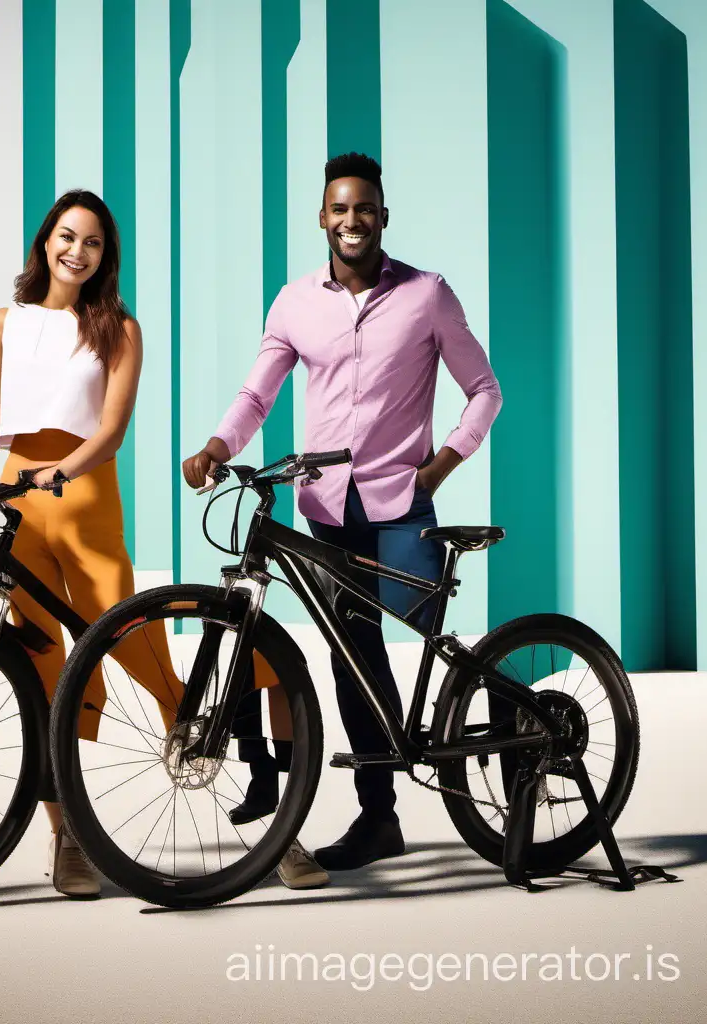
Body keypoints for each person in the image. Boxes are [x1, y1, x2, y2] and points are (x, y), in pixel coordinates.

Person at [182, 152, 502, 876]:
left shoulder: (427, 296)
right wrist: (214, 445)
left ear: (382, 217)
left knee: (418, 639)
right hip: (327, 509)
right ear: (321, 218)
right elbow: (256, 396)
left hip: (400, 504)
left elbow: (484, 390)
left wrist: (442, 463)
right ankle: (379, 812)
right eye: (339, 209)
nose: (351, 220)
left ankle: (492, 727)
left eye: (364, 208)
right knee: (351, 654)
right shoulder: (295, 303)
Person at [0, 189, 185, 897]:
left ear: (105, 257)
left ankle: (230, 769)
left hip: (85, 499)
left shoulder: (119, 329)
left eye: (92, 242)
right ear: (45, 243)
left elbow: (112, 431)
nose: (77, 251)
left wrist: (60, 469)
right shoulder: (6, 323)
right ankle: (66, 840)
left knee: (133, 643)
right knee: (39, 671)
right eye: (67, 236)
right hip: (19, 506)